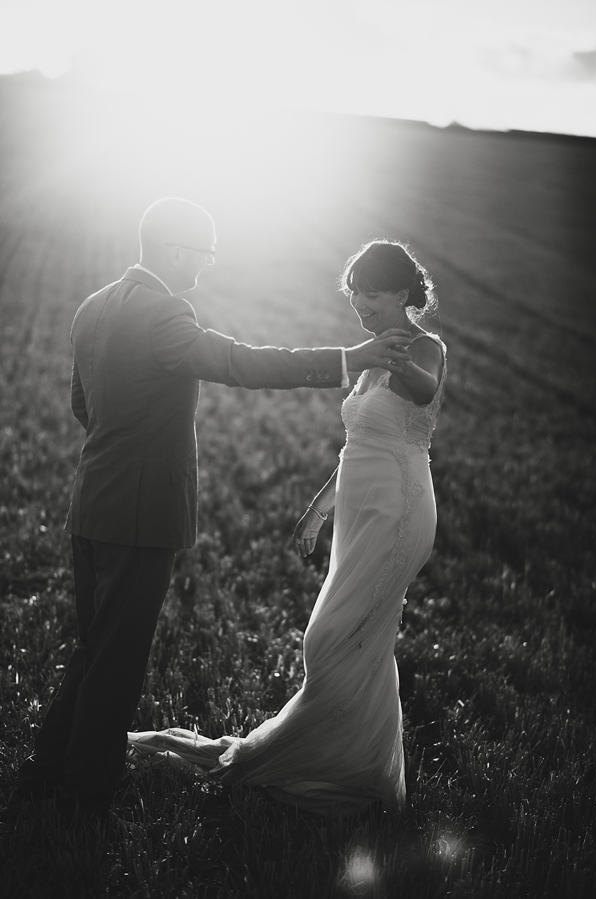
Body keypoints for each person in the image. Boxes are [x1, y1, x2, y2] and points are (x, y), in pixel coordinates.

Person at [6, 201, 410, 822]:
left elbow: (81, 405)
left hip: (91, 503)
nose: (207, 266)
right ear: (174, 251)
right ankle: (87, 794)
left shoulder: (95, 305)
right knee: (117, 659)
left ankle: (45, 771)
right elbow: (240, 363)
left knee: (93, 646)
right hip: (141, 516)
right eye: (205, 253)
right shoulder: (166, 312)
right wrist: (348, 359)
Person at [128, 238, 447, 817]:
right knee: (357, 642)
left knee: (331, 638)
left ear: (401, 293)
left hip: (399, 510)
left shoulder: (424, 349)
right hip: (359, 508)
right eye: (355, 297)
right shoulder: (376, 353)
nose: (361, 307)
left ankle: (340, 769)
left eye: (371, 295)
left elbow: (423, 390)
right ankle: (359, 767)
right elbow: (360, 444)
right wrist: (319, 509)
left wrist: (388, 353)